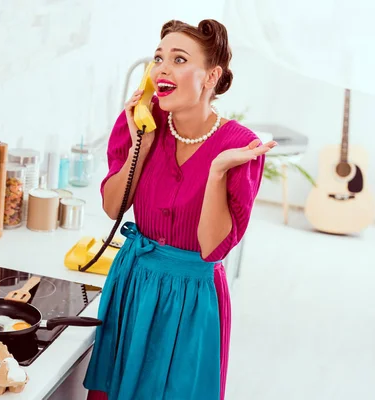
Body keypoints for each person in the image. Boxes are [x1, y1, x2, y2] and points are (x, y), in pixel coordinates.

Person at [83, 19, 277, 400]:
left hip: (191, 299)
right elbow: (112, 207)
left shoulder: (241, 148)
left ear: (210, 76)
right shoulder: (143, 121)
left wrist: (218, 170)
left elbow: (211, 248)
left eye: (178, 59)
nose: (162, 69)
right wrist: (143, 140)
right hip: (133, 285)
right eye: (158, 58)